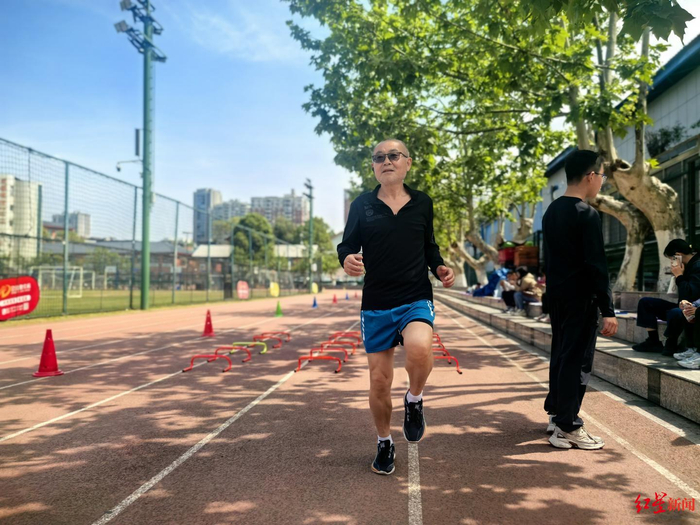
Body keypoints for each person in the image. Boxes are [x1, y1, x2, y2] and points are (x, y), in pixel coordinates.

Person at [337, 138, 455, 475]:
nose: (386, 161)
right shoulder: (362, 205)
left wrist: (439, 266)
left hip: (415, 295)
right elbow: (347, 244)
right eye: (379, 157)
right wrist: (347, 258)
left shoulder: (422, 203)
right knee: (379, 381)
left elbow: (429, 246)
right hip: (376, 302)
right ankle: (384, 441)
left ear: (407, 162)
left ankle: (414, 399)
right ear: (373, 166)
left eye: (393, 155)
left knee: (419, 347)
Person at [542, 149, 618, 450]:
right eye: (602, 176)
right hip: (580, 298)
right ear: (590, 176)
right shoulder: (586, 213)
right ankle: (568, 425)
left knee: (562, 354)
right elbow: (597, 264)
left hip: (558, 297)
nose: (601, 181)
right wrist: (607, 309)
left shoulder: (551, 211)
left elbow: (550, 261)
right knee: (577, 360)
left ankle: (556, 413)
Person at [632, 239, 700, 357]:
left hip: (693, 309)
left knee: (676, 312)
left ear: (678, 255)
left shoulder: (697, 266)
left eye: (672, 259)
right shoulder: (686, 265)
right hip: (681, 305)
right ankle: (653, 341)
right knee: (645, 302)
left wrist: (679, 276)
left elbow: (690, 294)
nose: (671, 262)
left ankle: (671, 343)